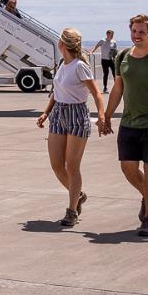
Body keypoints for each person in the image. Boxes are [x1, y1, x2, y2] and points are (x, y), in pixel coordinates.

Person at [101, 14, 148, 239]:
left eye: (142, 32)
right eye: (134, 31)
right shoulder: (123, 56)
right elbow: (117, 89)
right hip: (129, 122)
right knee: (128, 168)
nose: (137, 35)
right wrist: (106, 116)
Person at [36, 27, 103, 227]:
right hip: (58, 115)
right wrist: (45, 113)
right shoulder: (62, 65)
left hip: (76, 114)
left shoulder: (79, 66)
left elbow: (96, 93)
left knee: (72, 166)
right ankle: (79, 195)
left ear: (62, 44)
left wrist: (101, 116)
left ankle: (72, 210)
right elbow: (56, 93)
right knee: (57, 165)